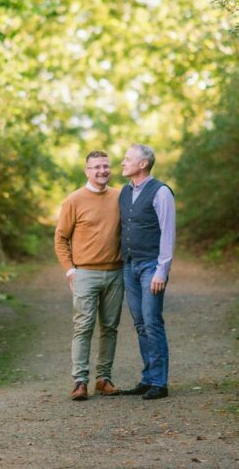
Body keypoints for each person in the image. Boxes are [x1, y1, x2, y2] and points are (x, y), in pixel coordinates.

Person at [54, 150, 124, 401]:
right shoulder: (74, 200)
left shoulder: (120, 196)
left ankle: (103, 379)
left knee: (110, 328)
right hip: (85, 273)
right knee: (83, 327)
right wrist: (70, 269)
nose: (102, 171)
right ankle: (79, 381)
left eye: (105, 166)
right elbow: (61, 238)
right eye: (96, 167)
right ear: (87, 171)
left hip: (116, 273)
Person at [119, 144, 175, 400]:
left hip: (151, 266)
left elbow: (167, 232)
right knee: (140, 323)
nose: (122, 162)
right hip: (129, 265)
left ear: (143, 164)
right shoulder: (124, 192)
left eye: (128, 159)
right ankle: (147, 378)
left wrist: (162, 271)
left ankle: (159, 382)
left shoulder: (161, 192)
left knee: (152, 322)